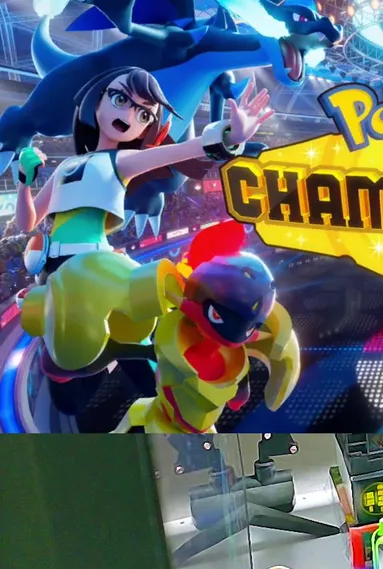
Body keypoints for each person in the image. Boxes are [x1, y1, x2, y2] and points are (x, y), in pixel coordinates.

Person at [14, 66, 273, 418]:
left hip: (96, 267)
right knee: (66, 377)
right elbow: (28, 221)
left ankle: (214, 376)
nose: (128, 116)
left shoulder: (121, 161)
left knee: (146, 338)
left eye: (144, 114)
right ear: (97, 101)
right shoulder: (65, 168)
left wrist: (231, 136)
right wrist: (24, 181)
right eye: (121, 99)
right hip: (53, 273)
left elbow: (181, 151)